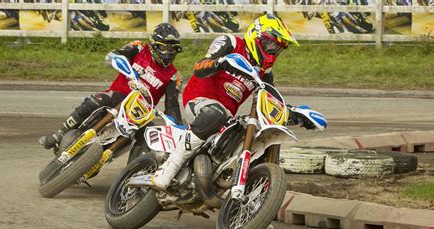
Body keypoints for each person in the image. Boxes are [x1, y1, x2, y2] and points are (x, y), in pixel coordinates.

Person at [130, 14, 318, 190]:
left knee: (263, 134)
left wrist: (295, 114)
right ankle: (168, 169)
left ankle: (255, 207)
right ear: (256, 36)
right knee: (216, 113)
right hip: (199, 100)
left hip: (226, 116)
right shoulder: (231, 42)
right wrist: (220, 63)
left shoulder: (264, 72)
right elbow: (199, 68)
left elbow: (271, 100)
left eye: (277, 49)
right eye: (269, 45)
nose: (272, 52)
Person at [39, 23, 184, 159]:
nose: (168, 53)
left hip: (142, 113)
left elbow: (172, 106)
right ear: (154, 45)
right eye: (164, 48)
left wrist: (178, 127)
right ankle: (59, 134)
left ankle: (132, 176)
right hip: (119, 95)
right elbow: (112, 56)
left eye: (173, 49)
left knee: (150, 135)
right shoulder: (139, 48)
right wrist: (118, 61)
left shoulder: (174, 76)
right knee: (95, 100)